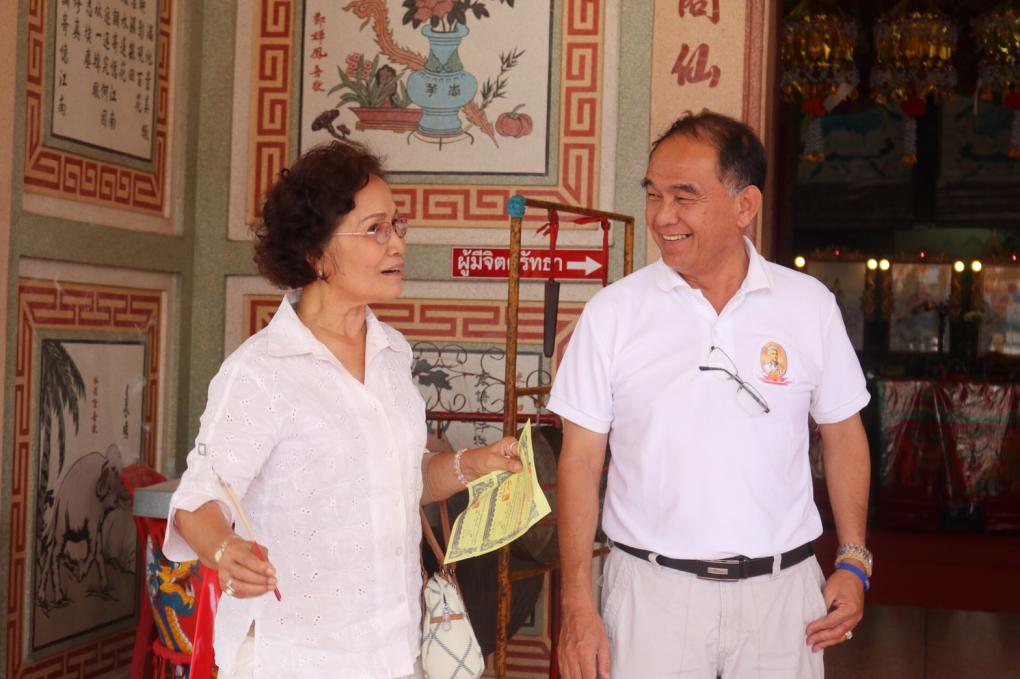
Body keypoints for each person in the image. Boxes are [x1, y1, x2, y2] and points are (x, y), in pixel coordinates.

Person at [163, 141, 521, 679]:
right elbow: (197, 501)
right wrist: (225, 549)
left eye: (397, 225)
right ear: (316, 253)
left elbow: (401, 482)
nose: (397, 242)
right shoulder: (261, 371)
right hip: (296, 658)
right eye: (375, 229)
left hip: (394, 652)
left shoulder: (391, 352)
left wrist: (474, 464)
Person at [549, 111, 872, 679]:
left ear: (745, 205)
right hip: (652, 596)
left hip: (783, 598)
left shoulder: (808, 306)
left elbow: (843, 434)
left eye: (684, 197)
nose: (662, 216)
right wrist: (577, 603)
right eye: (654, 194)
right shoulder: (613, 314)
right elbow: (579, 462)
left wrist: (853, 560)